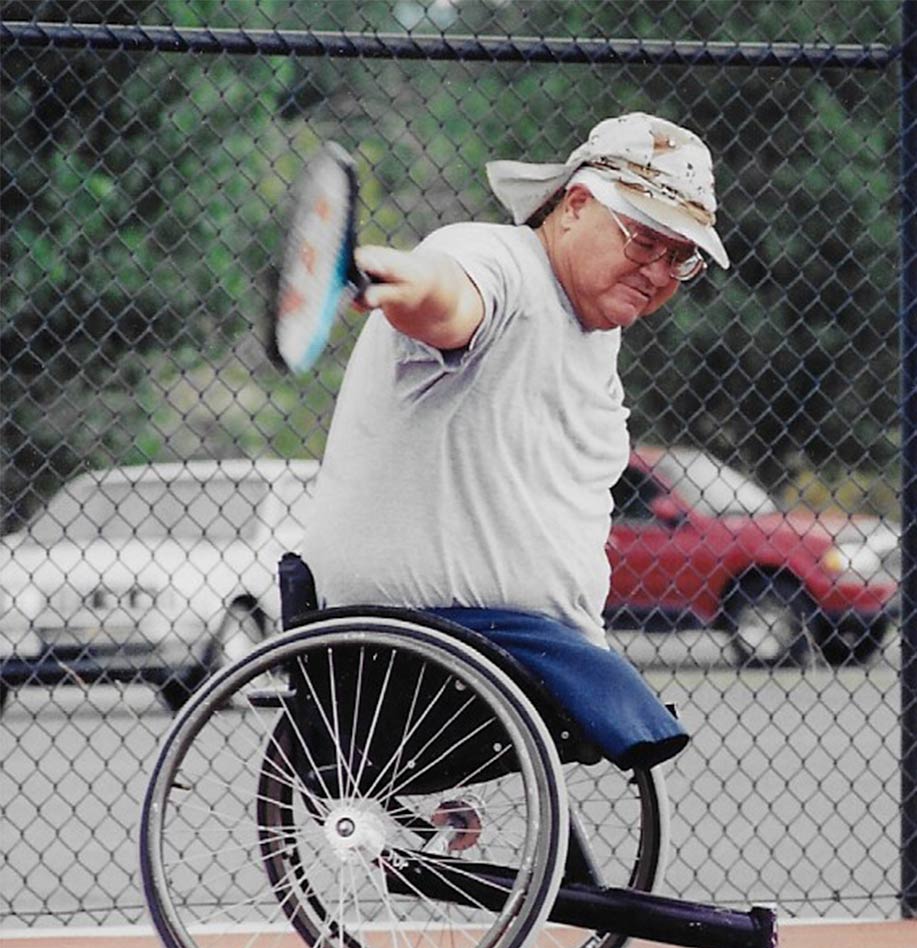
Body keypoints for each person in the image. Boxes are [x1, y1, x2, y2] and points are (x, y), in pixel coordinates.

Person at [300, 110, 731, 773]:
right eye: (645, 240)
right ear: (576, 205)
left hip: (505, 664)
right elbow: (449, 298)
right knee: (621, 712)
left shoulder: (592, 337)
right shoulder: (501, 260)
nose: (659, 272)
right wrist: (397, 277)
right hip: (428, 658)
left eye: (681, 257)